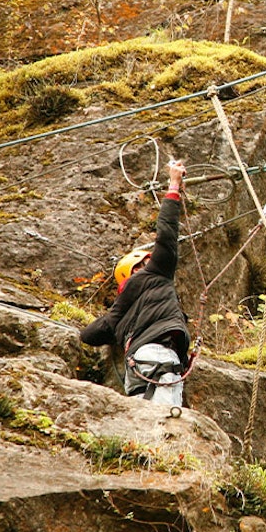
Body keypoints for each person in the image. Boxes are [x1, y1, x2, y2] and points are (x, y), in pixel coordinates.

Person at [81, 159, 191, 405]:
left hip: (137, 365)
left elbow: (89, 335)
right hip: (159, 358)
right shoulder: (155, 275)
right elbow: (167, 235)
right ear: (139, 266)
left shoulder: (118, 314)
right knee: (166, 424)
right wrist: (173, 185)